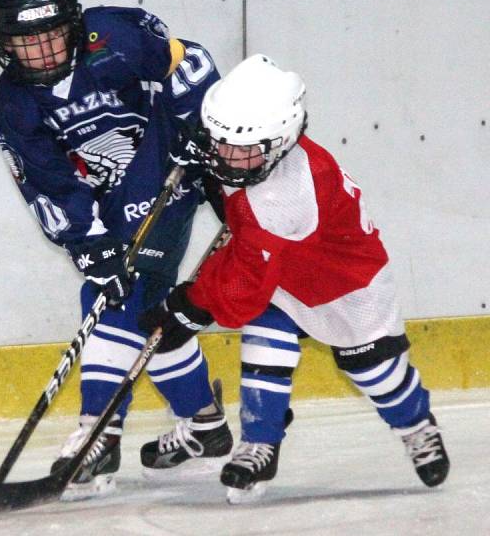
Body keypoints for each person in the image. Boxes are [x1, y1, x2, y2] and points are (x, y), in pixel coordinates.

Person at [139, 54, 450, 503]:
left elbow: (245, 280)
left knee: (377, 374)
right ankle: (260, 444)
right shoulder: (252, 153)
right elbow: (246, 239)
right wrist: (203, 158)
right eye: (220, 143)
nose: (229, 157)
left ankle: (417, 426)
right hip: (282, 274)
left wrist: (190, 306)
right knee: (265, 346)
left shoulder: (288, 194)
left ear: (281, 140)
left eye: (242, 149)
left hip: (345, 287)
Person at [0, 0, 233, 498]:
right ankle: (206, 424)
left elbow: (188, 62)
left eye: (53, 34)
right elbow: (48, 184)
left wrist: (199, 121)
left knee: (119, 298)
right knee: (139, 304)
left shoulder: (117, 33)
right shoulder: (14, 104)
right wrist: (87, 241)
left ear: (74, 22)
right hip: (113, 198)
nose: (45, 52)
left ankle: (100, 433)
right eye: (29, 41)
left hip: (170, 166)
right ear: (1, 41)